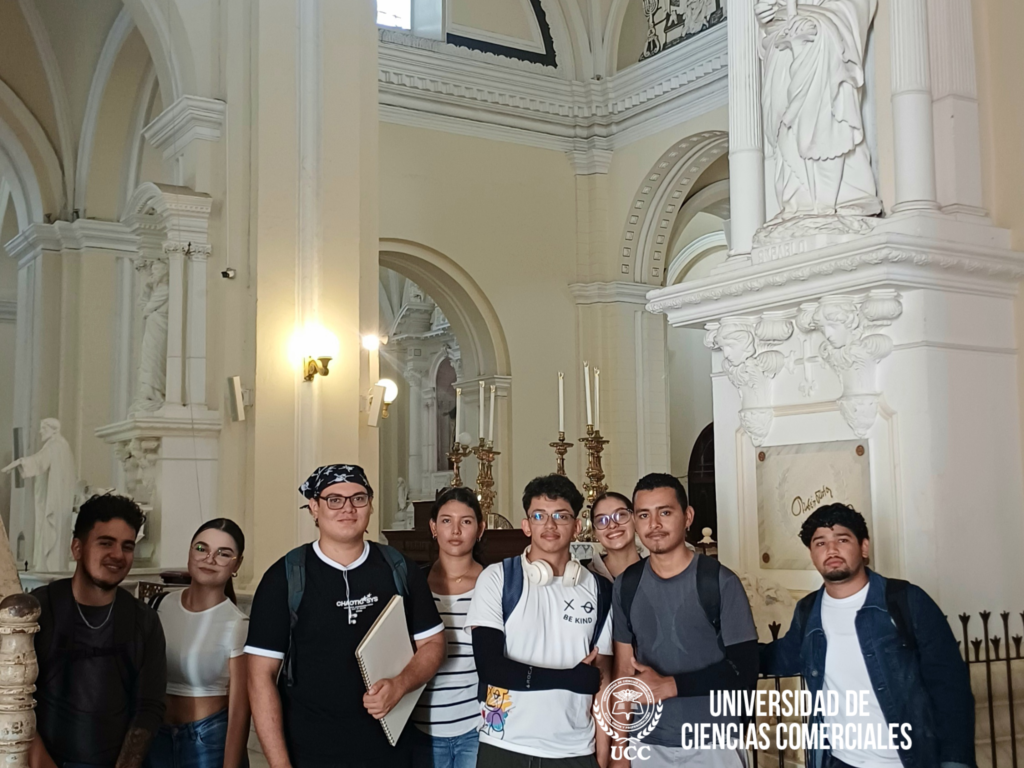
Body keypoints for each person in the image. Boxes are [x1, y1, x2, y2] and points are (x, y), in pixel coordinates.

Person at [245, 464, 445, 768]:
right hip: (310, 752)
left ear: (370, 505)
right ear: (314, 507)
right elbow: (260, 677)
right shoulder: (284, 578)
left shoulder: (398, 568)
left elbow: (433, 644)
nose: (348, 508)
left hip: (390, 751)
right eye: (334, 499)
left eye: (358, 498)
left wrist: (401, 684)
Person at [760, 503, 975, 768]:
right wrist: (730, 650)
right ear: (812, 554)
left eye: (842, 539)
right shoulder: (808, 610)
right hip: (840, 761)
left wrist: (955, 761)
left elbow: (951, 687)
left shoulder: (907, 601)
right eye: (820, 543)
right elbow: (781, 658)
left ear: (864, 547)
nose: (831, 550)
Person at [466, 474, 614, 768]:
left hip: (574, 750)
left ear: (577, 526)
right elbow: (490, 667)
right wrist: (568, 678)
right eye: (539, 515)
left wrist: (603, 752)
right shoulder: (498, 579)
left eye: (561, 516)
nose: (549, 525)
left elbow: (602, 680)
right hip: (504, 744)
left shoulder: (600, 590)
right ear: (526, 525)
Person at [611, 473, 758, 768]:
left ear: (687, 516)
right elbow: (624, 671)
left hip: (714, 743)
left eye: (665, 512)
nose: (654, 524)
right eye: (644, 515)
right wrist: (620, 747)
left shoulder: (719, 582)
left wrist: (671, 685)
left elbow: (745, 670)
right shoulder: (626, 584)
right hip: (646, 743)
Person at [29, 493, 167, 768]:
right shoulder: (39, 610)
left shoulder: (144, 621)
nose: (118, 555)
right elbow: (12, 697)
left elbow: (149, 707)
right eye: (106, 543)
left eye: (127, 546)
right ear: (77, 548)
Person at [146, 519, 250, 768]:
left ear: (237, 564)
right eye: (201, 548)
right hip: (156, 737)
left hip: (208, 740)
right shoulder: (159, 605)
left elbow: (240, 710)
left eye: (223, 553)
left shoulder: (236, 623)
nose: (209, 559)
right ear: (190, 552)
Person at [412, 487, 486, 768]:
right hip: (420, 727)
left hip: (477, 727)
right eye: (446, 520)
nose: (455, 530)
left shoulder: (494, 584)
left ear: (480, 529)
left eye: (466, 521)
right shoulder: (414, 585)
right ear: (433, 527)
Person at [587, 492, 642, 581]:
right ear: (594, 532)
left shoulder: (656, 571)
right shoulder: (585, 576)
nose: (612, 525)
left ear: (635, 519)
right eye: (602, 520)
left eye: (620, 515)